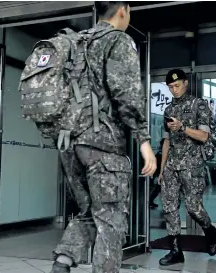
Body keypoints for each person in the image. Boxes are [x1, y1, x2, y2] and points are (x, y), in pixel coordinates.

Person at [50, 2, 157, 273]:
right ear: (123, 9)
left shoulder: (75, 42)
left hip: (69, 145)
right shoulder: (118, 41)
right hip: (103, 146)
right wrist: (144, 142)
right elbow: (127, 94)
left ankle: (63, 261)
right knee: (111, 221)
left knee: (89, 212)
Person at [158, 69, 216, 271]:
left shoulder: (199, 104)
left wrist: (183, 128)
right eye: (170, 87)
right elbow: (167, 140)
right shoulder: (168, 110)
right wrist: (162, 168)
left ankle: (210, 231)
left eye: (177, 85)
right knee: (169, 207)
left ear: (185, 83)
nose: (173, 90)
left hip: (192, 166)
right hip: (171, 165)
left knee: (193, 208)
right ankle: (175, 250)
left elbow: (203, 136)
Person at [150, 138, 164, 209]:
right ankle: (150, 200)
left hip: (160, 175)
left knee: (159, 189)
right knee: (158, 189)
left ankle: (151, 200)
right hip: (160, 175)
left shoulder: (159, 154)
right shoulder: (160, 155)